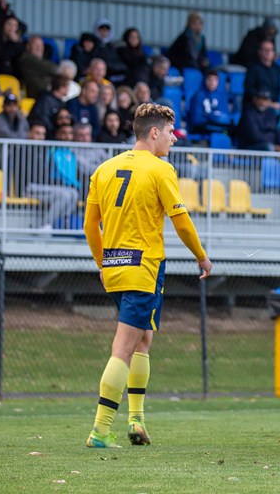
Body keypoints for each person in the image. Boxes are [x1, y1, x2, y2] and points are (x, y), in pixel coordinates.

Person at [83, 103, 212, 448]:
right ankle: (99, 429)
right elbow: (180, 220)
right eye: (170, 133)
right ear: (154, 132)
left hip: (114, 266)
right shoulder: (160, 169)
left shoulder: (105, 169)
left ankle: (136, 419)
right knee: (123, 347)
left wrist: (101, 262)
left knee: (143, 340)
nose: (173, 139)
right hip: (144, 267)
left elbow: (89, 226)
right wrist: (201, 256)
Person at [12, 121, 80, 229]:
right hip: (29, 187)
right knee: (65, 195)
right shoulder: (22, 148)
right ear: (29, 133)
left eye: (43, 134)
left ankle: (62, 224)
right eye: (37, 133)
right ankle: (46, 225)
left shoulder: (44, 149)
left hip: (42, 187)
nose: (40, 137)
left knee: (73, 194)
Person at [186, 69, 231, 135]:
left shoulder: (221, 96)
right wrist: (210, 117)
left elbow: (224, 115)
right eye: (210, 79)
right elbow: (196, 119)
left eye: (215, 80)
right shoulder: (198, 96)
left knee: (230, 130)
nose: (212, 82)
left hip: (217, 126)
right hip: (202, 126)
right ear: (205, 80)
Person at [244, 39, 280, 110]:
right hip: (256, 105)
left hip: (272, 104)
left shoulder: (277, 70)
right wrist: (262, 100)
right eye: (265, 50)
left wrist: (273, 102)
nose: (268, 53)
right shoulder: (253, 68)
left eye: (270, 50)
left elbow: (278, 89)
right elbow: (249, 88)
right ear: (259, 52)